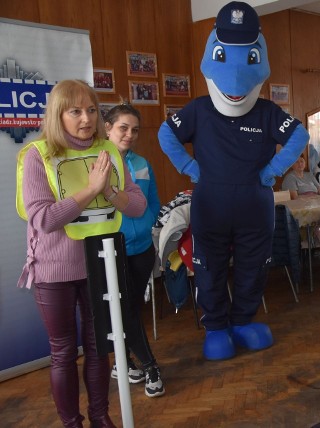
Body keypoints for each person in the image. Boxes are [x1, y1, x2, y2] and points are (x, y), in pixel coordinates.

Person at [158, 2, 309, 361]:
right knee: (209, 267)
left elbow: (299, 135)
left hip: (255, 209)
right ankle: (215, 327)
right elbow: (166, 134)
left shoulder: (267, 110)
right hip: (211, 206)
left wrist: (272, 170)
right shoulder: (198, 109)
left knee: (252, 268)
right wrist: (191, 169)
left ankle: (243, 321)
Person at [15, 79, 146, 428]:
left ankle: (101, 417)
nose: (85, 118)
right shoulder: (37, 155)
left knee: (98, 349)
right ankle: (72, 423)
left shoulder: (108, 151)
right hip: (53, 270)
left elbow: (136, 205)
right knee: (62, 353)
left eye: (91, 110)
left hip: (97, 265)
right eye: (75, 111)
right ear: (58, 115)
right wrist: (90, 190)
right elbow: (43, 219)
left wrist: (111, 191)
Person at [104, 103, 164, 398]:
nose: (129, 134)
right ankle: (151, 365)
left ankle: (123, 360)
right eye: (123, 128)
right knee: (125, 309)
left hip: (142, 249)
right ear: (107, 129)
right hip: (113, 249)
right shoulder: (97, 162)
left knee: (131, 308)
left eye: (134, 130)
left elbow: (153, 200)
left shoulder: (141, 163)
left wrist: (150, 218)